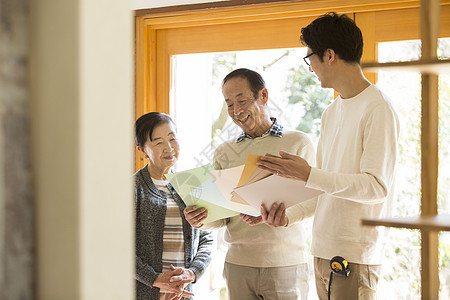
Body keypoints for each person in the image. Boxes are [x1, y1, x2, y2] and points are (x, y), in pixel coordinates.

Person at [257, 12, 400, 300]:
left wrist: (308, 174)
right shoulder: (331, 112)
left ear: (329, 55)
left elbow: (376, 187)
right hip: (322, 250)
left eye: (310, 58)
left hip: (354, 256)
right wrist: (287, 217)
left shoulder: (378, 108)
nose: (311, 68)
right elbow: (326, 188)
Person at [184, 68, 317, 300]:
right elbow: (222, 215)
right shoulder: (224, 152)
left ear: (263, 96)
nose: (236, 111)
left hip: (285, 264)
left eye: (242, 100)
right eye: (229, 104)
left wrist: (282, 217)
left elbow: (315, 199)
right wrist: (201, 219)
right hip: (238, 265)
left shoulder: (298, 142)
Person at [134, 112, 213, 300]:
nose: (169, 148)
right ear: (143, 150)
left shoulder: (193, 184)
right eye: (158, 142)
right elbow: (117, 247)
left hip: (185, 295)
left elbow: (207, 238)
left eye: (172, 139)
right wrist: (155, 279)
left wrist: (192, 272)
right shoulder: (131, 188)